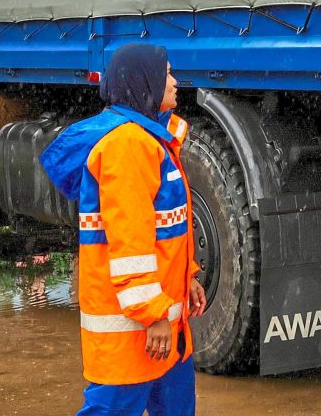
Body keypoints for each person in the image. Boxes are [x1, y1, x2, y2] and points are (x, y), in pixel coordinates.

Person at [42, 43, 206, 416]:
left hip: (161, 326)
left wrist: (188, 276)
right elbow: (130, 243)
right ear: (143, 83)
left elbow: (166, 229)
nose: (175, 82)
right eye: (166, 74)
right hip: (139, 331)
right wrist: (154, 315)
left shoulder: (149, 139)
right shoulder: (128, 145)